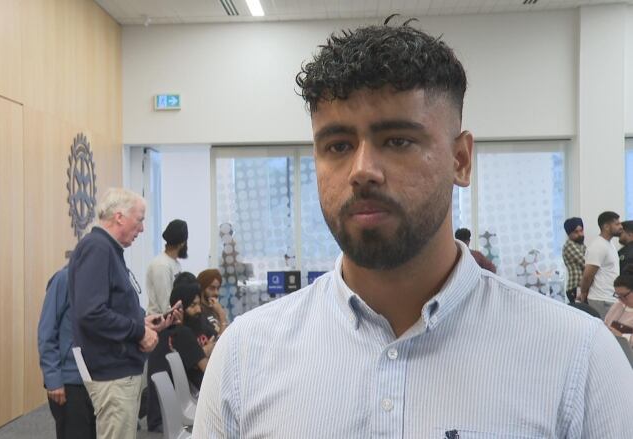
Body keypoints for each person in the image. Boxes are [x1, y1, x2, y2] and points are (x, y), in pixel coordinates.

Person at [194, 19, 633, 438]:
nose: (362, 171)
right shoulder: (245, 357)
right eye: (338, 146)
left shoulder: (577, 358)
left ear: (460, 160)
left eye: (398, 141)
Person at [69, 188, 175, 439]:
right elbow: (91, 313)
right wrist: (138, 331)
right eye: (139, 220)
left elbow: (107, 306)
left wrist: (141, 321)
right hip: (112, 373)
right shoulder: (98, 249)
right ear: (119, 217)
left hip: (118, 369)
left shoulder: (106, 249)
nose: (142, 228)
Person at [146, 282, 216, 432]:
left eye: (199, 304)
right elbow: (210, 372)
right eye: (193, 305)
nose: (199, 310)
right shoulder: (182, 333)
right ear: (179, 310)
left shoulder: (169, 332)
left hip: (161, 416)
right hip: (170, 417)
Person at [37, 266, 95, 439]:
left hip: (96, 380)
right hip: (70, 381)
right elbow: (46, 332)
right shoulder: (64, 279)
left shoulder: (100, 280)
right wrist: (53, 379)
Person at [579, 211, 622, 318]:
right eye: (617, 224)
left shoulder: (609, 244)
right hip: (601, 299)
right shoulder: (598, 246)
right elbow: (588, 275)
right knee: (608, 332)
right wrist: (583, 293)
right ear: (606, 226)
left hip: (609, 297)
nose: (621, 226)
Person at [147, 219, 189, 315]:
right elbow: (165, 305)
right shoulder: (161, 265)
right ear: (182, 243)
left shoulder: (175, 263)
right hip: (160, 323)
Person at [604, 266, 633, 348]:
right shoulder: (618, 305)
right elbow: (606, 323)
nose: (621, 299)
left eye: (624, 295)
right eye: (618, 295)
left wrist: (622, 337)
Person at [562, 217, 586, 304]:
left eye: (581, 230)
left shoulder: (580, 245)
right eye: (576, 232)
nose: (580, 234)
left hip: (580, 288)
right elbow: (586, 263)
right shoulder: (569, 245)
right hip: (576, 288)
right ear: (569, 234)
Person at [197, 269, 228, 335]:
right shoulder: (198, 312)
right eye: (212, 288)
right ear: (202, 288)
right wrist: (222, 316)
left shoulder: (216, 309)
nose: (216, 293)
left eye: (218, 288)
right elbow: (219, 342)